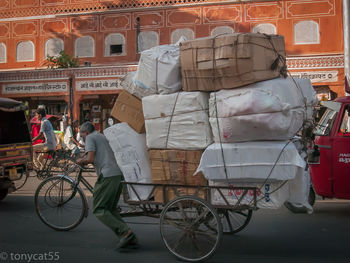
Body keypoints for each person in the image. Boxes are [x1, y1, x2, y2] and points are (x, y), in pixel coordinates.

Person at [76, 122, 138, 250]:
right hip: (117, 174)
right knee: (110, 209)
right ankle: (130, 237)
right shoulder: (100, 136)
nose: (81, 137)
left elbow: (90, 158)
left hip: (108, 175)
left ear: (85, 132)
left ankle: (126, 233)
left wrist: (80, 161)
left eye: (81, 134)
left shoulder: (90, 138)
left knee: (98, 208)